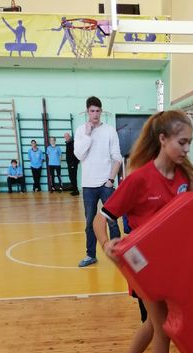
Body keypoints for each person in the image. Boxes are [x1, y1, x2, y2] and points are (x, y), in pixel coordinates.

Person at [93, 110, 193, 353]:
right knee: (163, 326)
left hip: (174, 264)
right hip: (144, 266)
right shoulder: (138, 179)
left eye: (189, 142)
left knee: (153, 323)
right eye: (182, 142)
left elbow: (191, 221)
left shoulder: (185, 178)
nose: (187, 148)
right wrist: (106, 244)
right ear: (163, 139)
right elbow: (101, 218)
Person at [74, 96, 122, 268]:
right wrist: (88, 135)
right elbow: (79, 155)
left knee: (112, 220)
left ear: (101, 111)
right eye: (92, 111)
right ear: (87, 112)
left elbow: (117, 157)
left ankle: (118, 254)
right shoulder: (81, 130)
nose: (95, 114)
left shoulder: (109, 130)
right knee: (90, 222)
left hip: (106, 184)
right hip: (88, 185)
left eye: (97, 110)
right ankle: (90, 255)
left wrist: (110, 179)